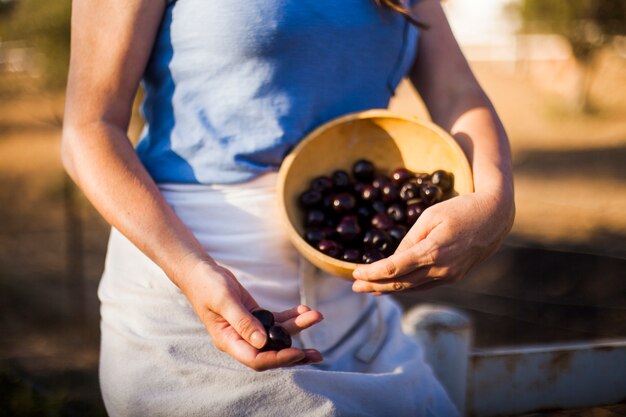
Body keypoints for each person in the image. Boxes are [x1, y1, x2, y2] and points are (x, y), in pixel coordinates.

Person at [62, 0, 514, 415]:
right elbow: (89, 129)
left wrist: (495, 202)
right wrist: (192, 270)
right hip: (194, 278)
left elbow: (458, 93)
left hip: (354, 297)